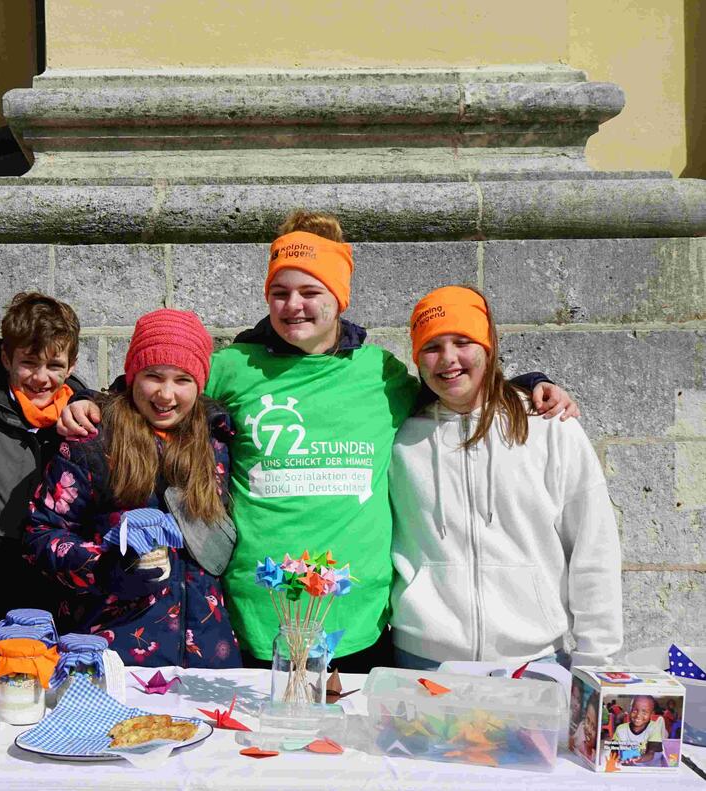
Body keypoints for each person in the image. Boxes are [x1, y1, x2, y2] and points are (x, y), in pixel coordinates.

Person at [57, 211, 576, 670]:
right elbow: (165, 385)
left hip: (357, 616)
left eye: (311, 293)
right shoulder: (235, 367)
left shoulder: (381, 373)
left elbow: (457, 387)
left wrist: (527, 386)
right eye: (280, 293)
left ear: (339, 298)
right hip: (258, 610)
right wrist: (92, 400)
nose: (294, 306)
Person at [388, 286, 622, 669]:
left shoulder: (550, 426)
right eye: (432, 347)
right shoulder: (400, 436)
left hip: (535, 665)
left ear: (489, 346)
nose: (448, 359)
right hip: (422, 661)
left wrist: (597, 662)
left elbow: (593, 549)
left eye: (463, 342)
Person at [25, 309, 240, 667]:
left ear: (200, 384)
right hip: (116, 650)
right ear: (132, 375)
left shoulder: (215, 438)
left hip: (208, 652)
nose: (166, 394)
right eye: (153, 376)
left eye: (183, 380)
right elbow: (39, 535)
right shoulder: (92, 440)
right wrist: (104, 565)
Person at [0, 292, 87, 631]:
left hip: (54, 572)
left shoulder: (83, 416)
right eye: (29, 363)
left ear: (72, 366)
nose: (41, 378)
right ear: (6, 358)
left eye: (54, 366)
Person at [612, 695, 665, 766]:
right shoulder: (621, 729)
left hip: (649, 765)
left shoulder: (654, 727)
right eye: (634, 711)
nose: (638, 715)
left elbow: (651, 754)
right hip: (630, 761)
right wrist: (615, 758)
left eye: (644, 712)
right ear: (630, 710)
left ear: (651, 714)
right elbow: (613, 749)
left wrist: (637, 759)